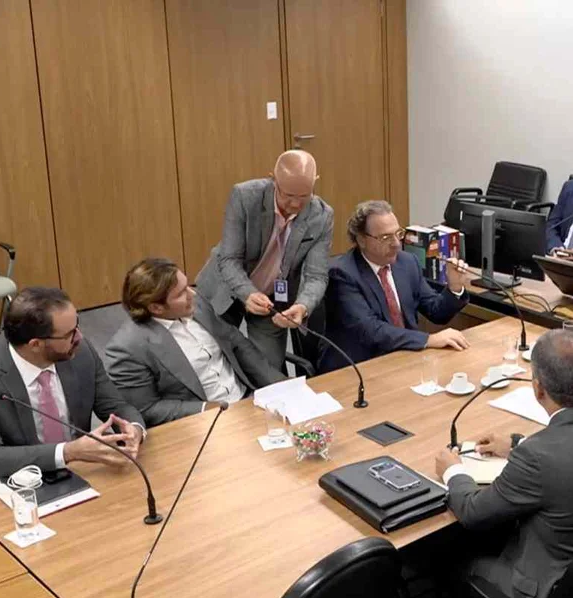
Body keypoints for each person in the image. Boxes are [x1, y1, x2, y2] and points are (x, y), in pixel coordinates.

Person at [435, 330, 573, 598]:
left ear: (538, 388)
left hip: (552, 587)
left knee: (446, 558)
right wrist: (517, 444)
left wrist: (452, 470)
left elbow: (473, 513)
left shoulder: (536, 456)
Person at [0, 287, 147, 480]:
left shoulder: (81, 353)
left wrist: (134, 428)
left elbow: (116, 405)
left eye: (77, 325)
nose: (79, 337)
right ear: (35, 344)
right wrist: (68, 452)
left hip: (83, 471)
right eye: (69, 334)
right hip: (22, 481)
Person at [195, 150, 334, 371]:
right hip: (226, 286)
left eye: (304, 196)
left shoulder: (322, 215)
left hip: (273, 299)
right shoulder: (245, 196)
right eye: (288, 195)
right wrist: (247, 293)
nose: (296, 204)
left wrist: (303, 305)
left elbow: (317, 275)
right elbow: (229, 258)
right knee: (214, 361)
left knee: (268, 369)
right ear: (273, 179)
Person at [106, 258, 286, 427]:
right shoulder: (127, 348)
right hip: (203, 423)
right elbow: (146, 408)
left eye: (187, 286)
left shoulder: (197, 304)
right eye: (181, 293)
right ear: (156, 307)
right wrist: (205, 408)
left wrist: (281, 384)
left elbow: (236, 343)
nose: (192, 294)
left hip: (248, 401)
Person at [318, 200, 470, 372]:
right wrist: (428, 340)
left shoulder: (407, 262)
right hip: (358, 367)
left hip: (404, 359)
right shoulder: (342, 274)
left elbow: (436, 312)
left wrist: (454, 288)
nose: (396, 243)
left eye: (398, 234)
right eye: (386, 237)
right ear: (361, 240)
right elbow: (371, 331)